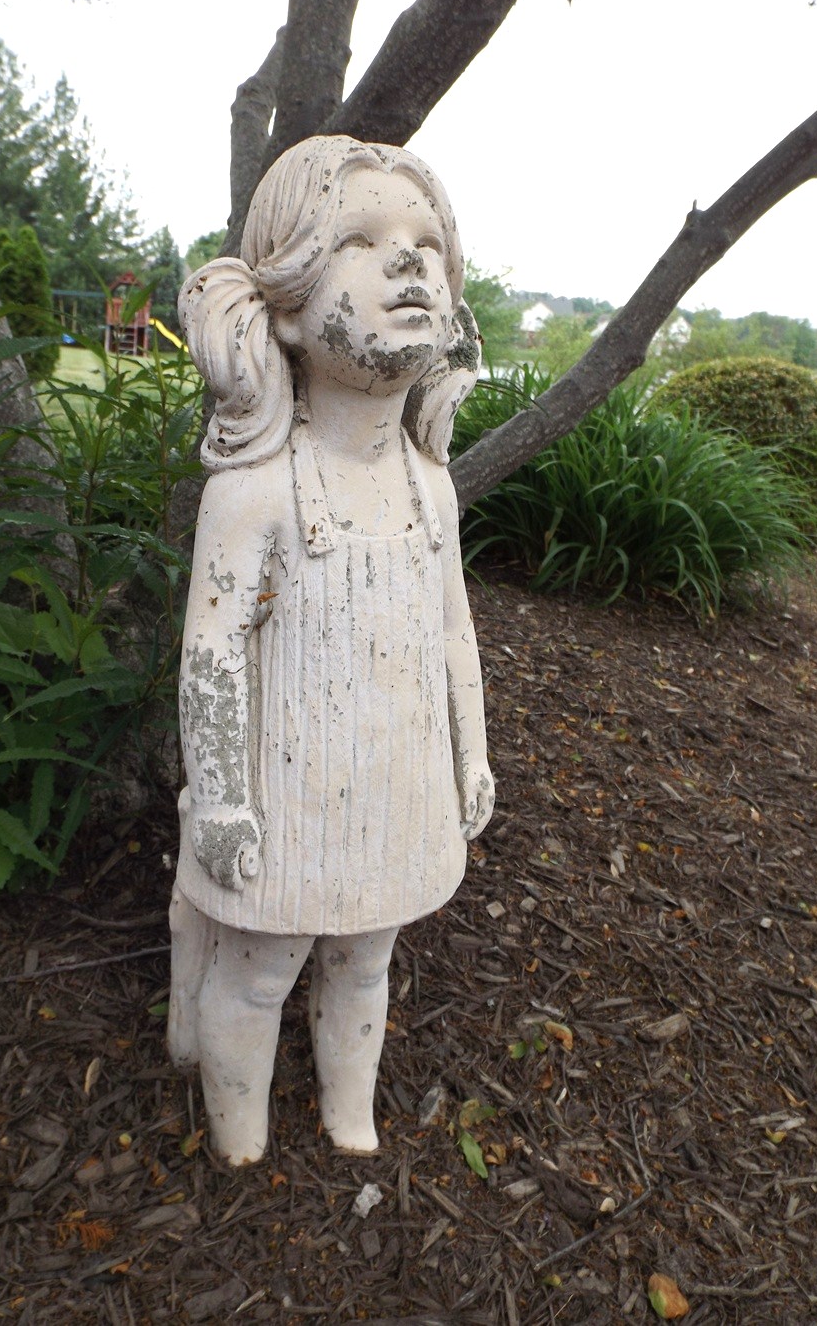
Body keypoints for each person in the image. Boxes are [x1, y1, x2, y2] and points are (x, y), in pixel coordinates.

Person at [168, 134, 493, 1165]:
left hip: (394, 787)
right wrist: (218, 796)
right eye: (362, 240)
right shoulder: (255, 490)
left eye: (427, 245)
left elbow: (451, 632)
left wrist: (469, 753)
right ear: (289, 305)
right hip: (281, 796)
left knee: (365, 958)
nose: (410, 264)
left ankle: (349, 1109)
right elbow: (212, 653)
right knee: (259, 966)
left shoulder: (427, 486)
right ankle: (240, 1129)